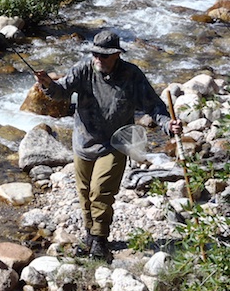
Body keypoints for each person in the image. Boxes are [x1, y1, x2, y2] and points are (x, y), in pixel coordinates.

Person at [34, 30, 183, 261]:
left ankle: (100, 241)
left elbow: (154, 106)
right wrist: (47, 84)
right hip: (83, 142)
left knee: (101, 192)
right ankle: (90, 236)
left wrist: (167, 125)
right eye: (95, 54)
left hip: (115, 144)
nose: (98, 59)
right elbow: (61, 92)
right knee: (84, 194)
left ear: (116, 55)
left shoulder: (132, 75)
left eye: (103, 55)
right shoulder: (83, 70)